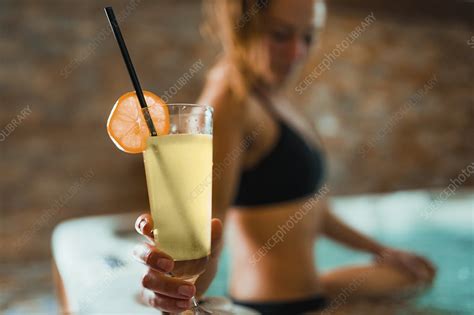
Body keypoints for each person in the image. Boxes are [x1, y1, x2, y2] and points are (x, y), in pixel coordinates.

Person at [133, 0, 436, 313]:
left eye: (308, 36)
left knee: (417, 273)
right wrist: (175, 288)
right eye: (280, 35)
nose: (297, 53)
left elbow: (311, 208)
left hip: (313, 292)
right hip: (274, 305)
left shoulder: (269, 93)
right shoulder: (229, 99)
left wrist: (381, 250)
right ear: (243, 26)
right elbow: (205, 226)